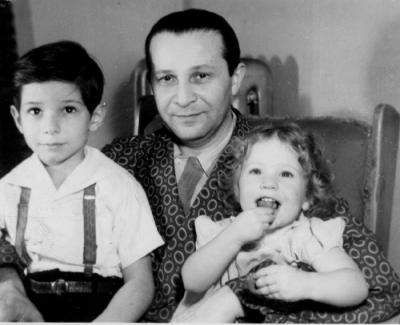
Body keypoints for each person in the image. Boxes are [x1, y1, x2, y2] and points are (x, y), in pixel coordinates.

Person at [0, 8, 399, 323]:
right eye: (168, 79)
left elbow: (382, 292)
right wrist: (8, 284)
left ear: (236, 77)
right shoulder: (120, 159)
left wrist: (240, 300)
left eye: (202, 76)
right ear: (152, 87)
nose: (183, 98)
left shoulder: (278, 163)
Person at [0, 40, 163, 322]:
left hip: (101, 309)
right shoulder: (10, 187)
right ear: (17, 119)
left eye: (69, 110)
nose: (50, 127)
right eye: (35, 111)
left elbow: (140, 283)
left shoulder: (119, 186)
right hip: (31, 308)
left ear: (95, 117)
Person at [172, 123, 369, 322]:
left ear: (307, 197)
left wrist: (307, 284)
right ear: (238, 189)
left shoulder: (305, 235)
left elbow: (356, 286)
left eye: (286, 174)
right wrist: (233, 237)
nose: (269, 182)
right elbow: (192, 281)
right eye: (256, 171)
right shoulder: (223, 231)